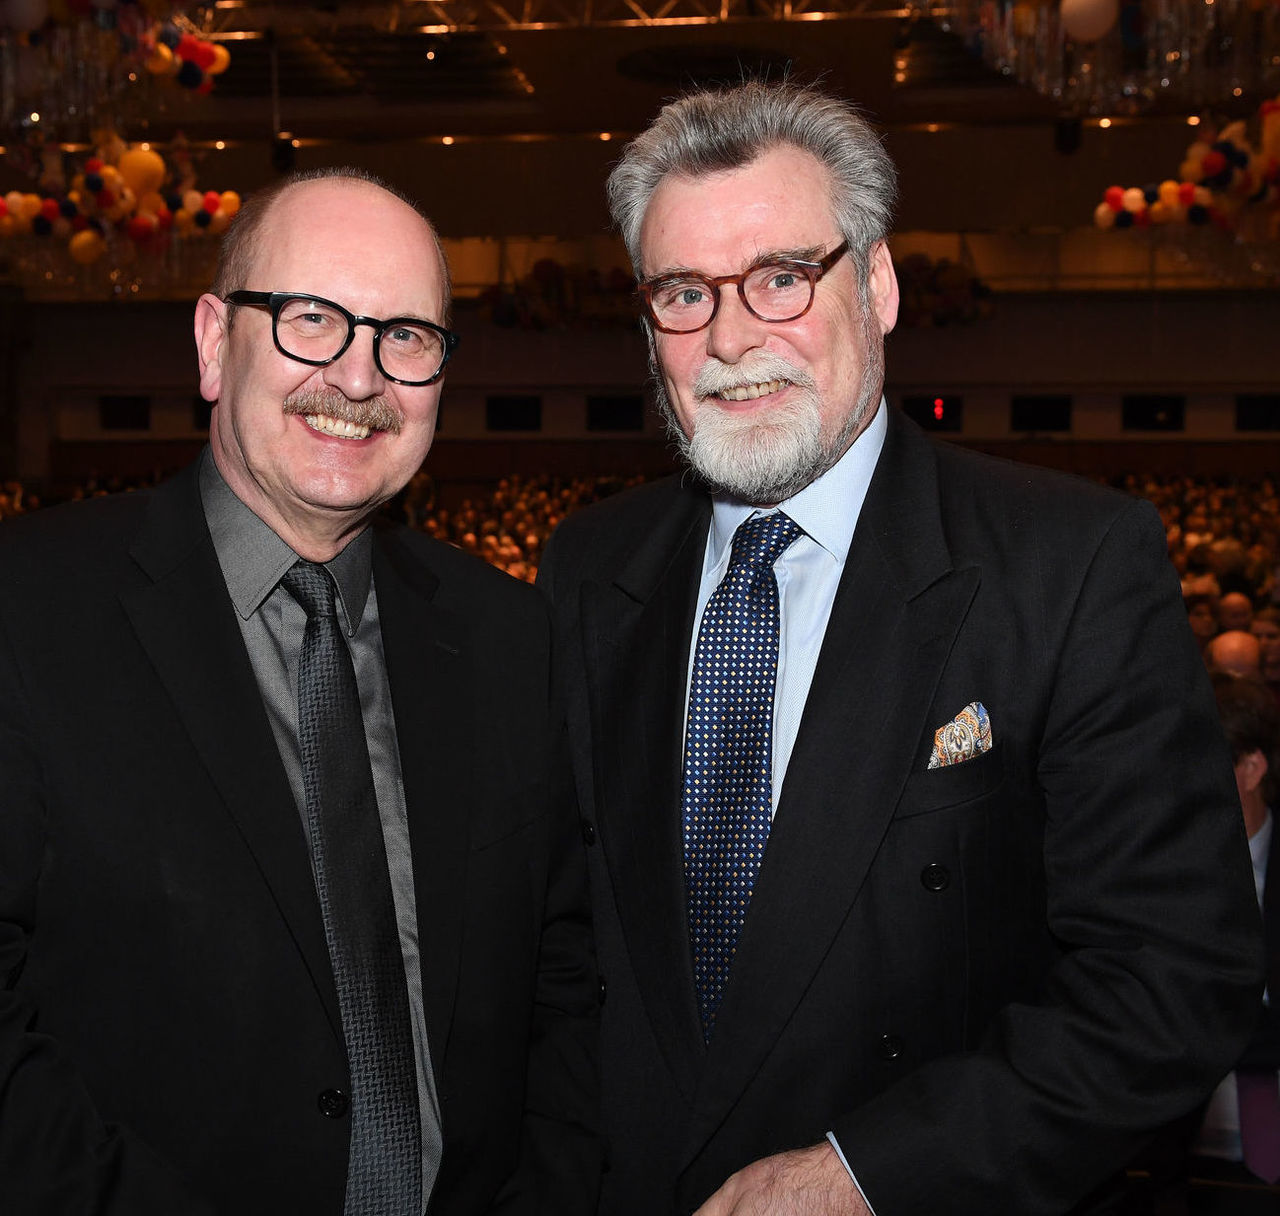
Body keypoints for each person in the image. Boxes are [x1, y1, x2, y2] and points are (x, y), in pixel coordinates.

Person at [537, 81, 1262, 1216]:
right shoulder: (585, 569)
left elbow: (1173, 981)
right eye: (683, 292)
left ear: (874, 285)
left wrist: (868, 1176)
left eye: (780, 277)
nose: (730, 337)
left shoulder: (1064, 565)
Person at [0, 168, 600, 1215]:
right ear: (209, 341)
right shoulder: (29, 610)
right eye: (311, 319)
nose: (358, 377)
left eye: (405, 336)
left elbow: (566, 991)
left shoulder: (509, 639)